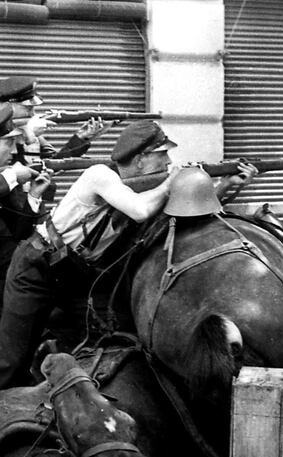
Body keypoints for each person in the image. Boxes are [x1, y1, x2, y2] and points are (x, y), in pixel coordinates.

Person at [0, 120, 257, 389]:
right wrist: (171, 182)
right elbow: (140, 210)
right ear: (141, 159)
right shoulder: (99, 175)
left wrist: (226, 185)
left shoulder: (146, 190)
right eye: (162, 155)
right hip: (37, 266)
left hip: (75, 274)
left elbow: (181, 216)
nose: (168, 162)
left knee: (109, 336)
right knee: (12, 358)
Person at [0, 103, 51, 308]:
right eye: (8, 142)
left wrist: (33, 196)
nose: (14, 151)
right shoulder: (6, 178)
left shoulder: (5, 179)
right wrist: (12, 175)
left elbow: (18, 234)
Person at [0, 75, 106, 162]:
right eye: (28, 108)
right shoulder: (25, 132)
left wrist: (81, 138)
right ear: (5, 105)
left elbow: (54, 162)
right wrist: (26, 134)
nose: (33, 114)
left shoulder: (30, 133)